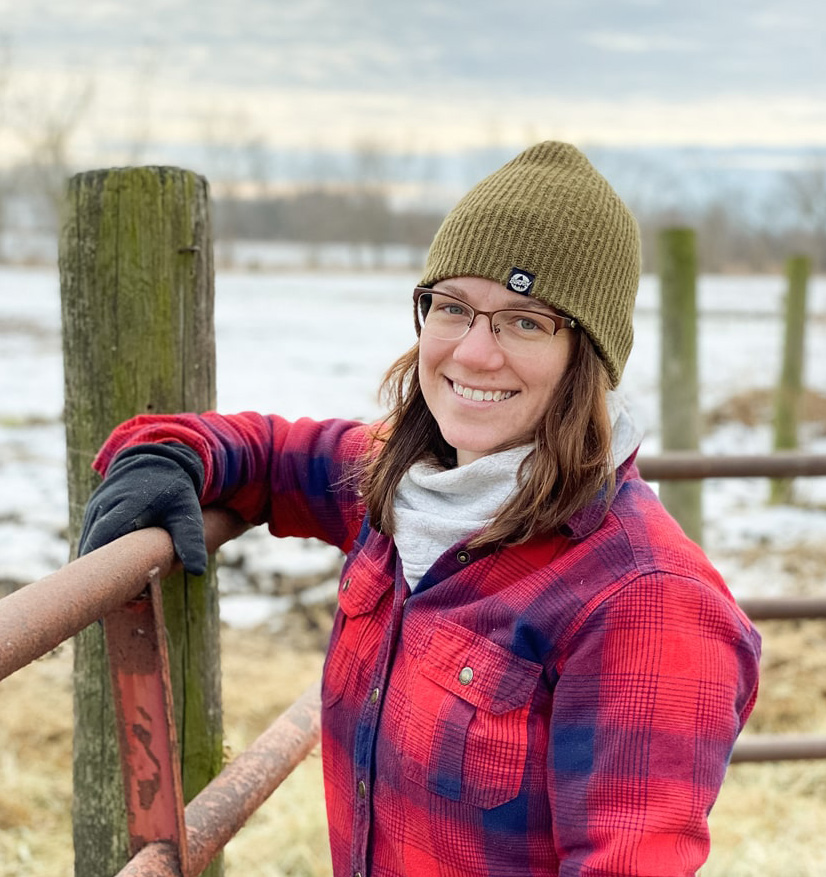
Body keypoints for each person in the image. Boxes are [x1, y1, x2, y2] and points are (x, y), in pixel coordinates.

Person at [79, 141, 761, 876]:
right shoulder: (405, 485)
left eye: (525, 321)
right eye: (453, 308)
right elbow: (274, 452)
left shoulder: (645, 603)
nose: (472, 353)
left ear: (587, 357)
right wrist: (171, 453)